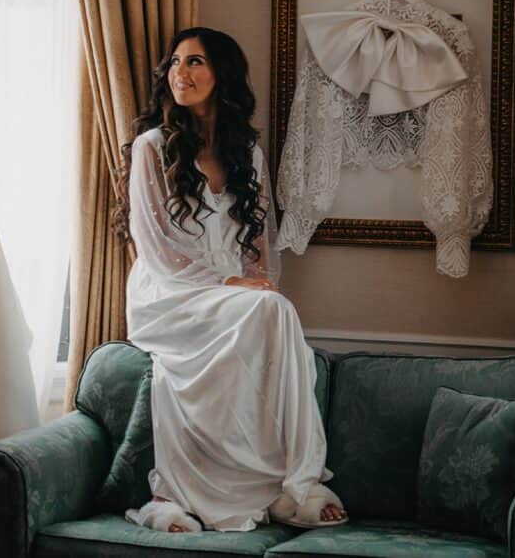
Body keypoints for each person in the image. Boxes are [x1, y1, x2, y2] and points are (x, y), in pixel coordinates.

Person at [116, 27, 347, 533]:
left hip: (231, 298)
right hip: (168, 295)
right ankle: (288, 484)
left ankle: (281, 486)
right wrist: (230, 286)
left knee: (273, 311)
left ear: (222, 74)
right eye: (175, 63)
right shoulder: (152, 148)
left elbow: (260, 251)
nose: (181, 73)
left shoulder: (247, 153)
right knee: (271, 310)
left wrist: (251, 284)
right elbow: (156, 248)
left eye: (195, 62)